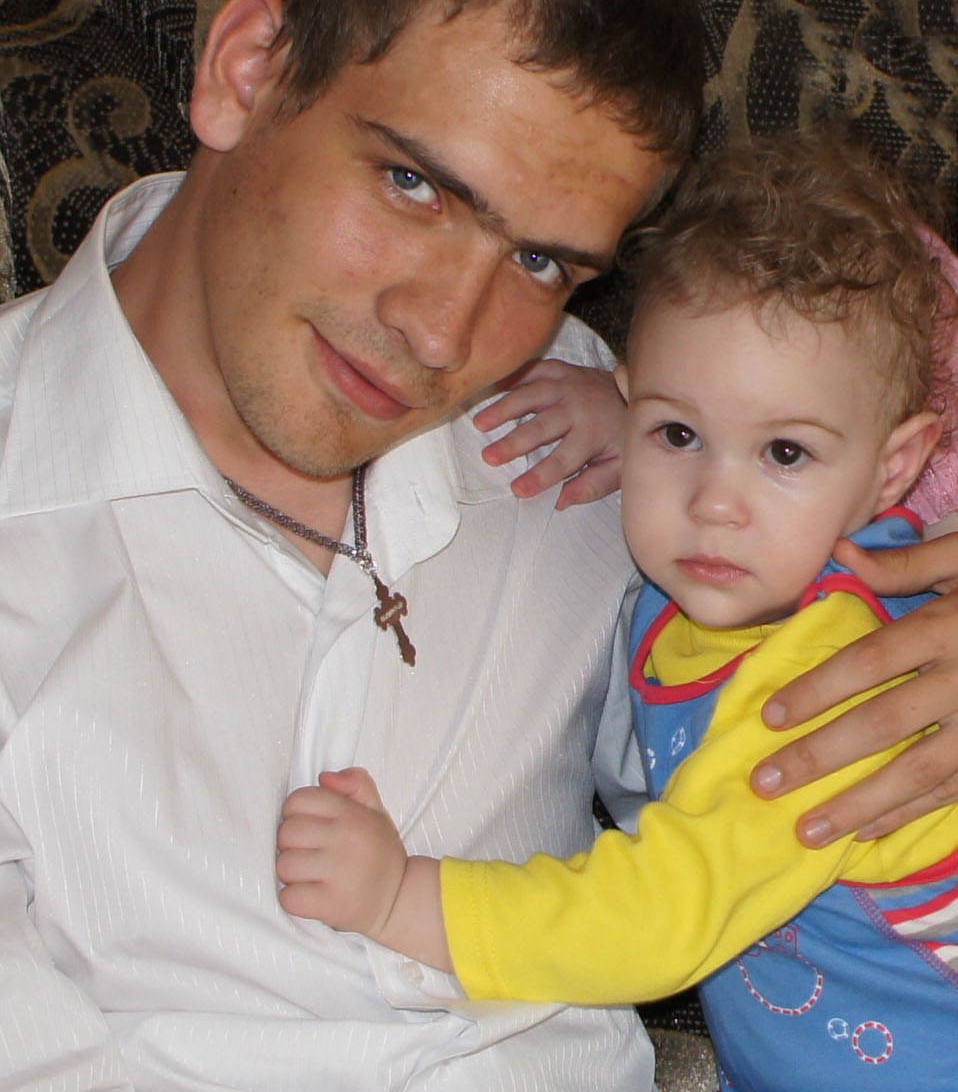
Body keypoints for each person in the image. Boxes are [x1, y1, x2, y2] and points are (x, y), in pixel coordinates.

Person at [0, 0, 955, 1090]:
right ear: (245, 71)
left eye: (542, 260)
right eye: (414, 186)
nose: (444, 333)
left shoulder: (604, 432)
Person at [276, 137, 958, 1091]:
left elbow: (653, 923)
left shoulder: (822, 685)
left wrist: (403, 898)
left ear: (895, 468)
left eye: (786, 455)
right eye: (679, 433)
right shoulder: (729, 580)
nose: (715, 502)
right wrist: (647, 428)